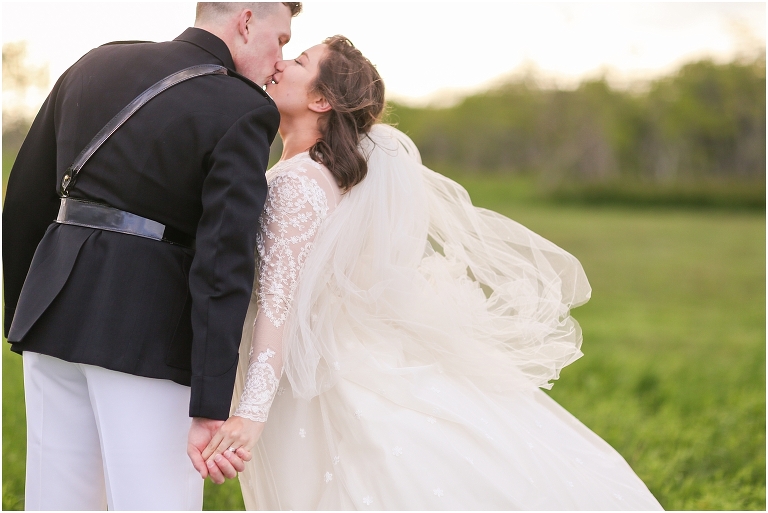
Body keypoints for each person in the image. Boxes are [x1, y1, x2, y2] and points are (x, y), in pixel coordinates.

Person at [210, 37, 664, 509]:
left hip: (310, 377)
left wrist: (250, 412)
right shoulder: (320, 174)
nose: (281, 63)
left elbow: (278, 305)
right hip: (331, 356)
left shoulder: (299, 183)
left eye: (299, 60)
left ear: (321, 99)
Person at [2, 2, 302, 510]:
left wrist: (23, 314)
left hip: (51, 316)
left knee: (57, 501)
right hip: (148, 334)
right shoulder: (245, 108)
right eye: (282, 41)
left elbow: (25, 197)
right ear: (247, 21)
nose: (279, 60)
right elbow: (223, 263)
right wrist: (211, 402)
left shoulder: (96, 62)